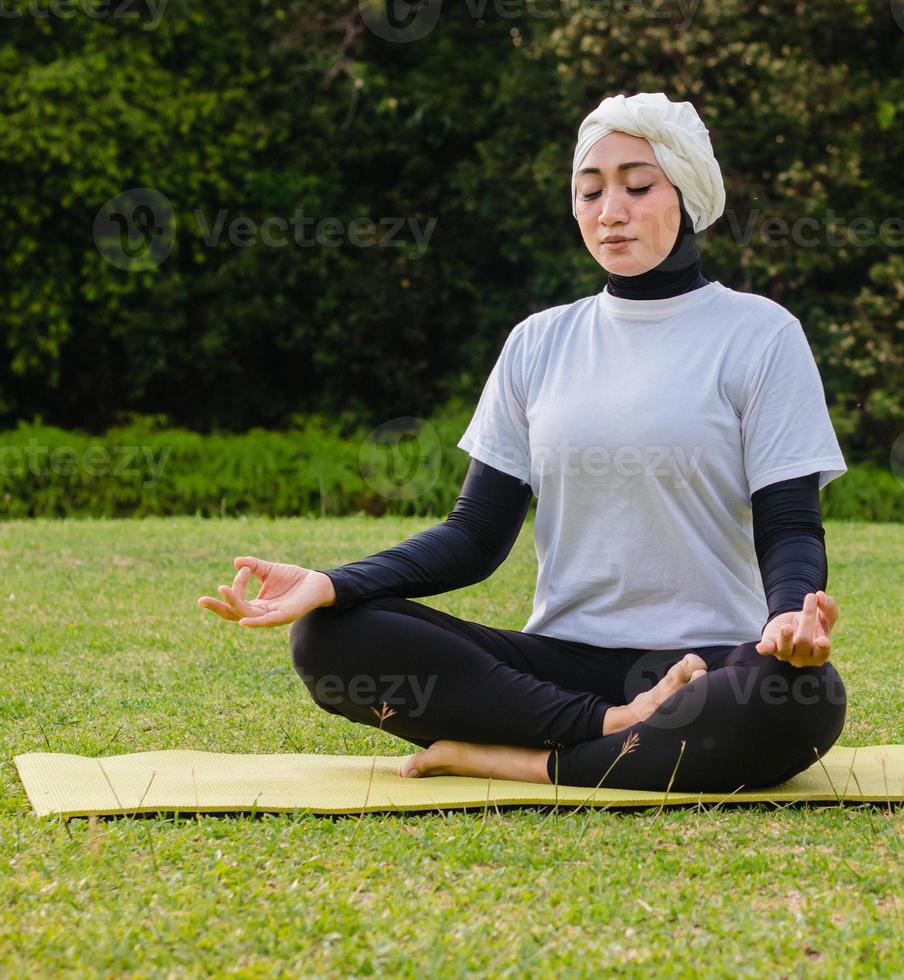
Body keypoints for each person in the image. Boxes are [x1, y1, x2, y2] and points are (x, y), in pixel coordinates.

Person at [196, 92, 849, 794]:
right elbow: (474, 536)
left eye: (637, 185)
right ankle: (608, 726)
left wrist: (788, 614)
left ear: (687, 191)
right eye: (589, 191)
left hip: (711, 665)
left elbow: (788, 525)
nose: (610, 210)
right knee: (329, 636)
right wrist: (332, 583)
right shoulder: (540, 341)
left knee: (804, 696)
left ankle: (525, 760)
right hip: (558, 663)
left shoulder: (759, 334)